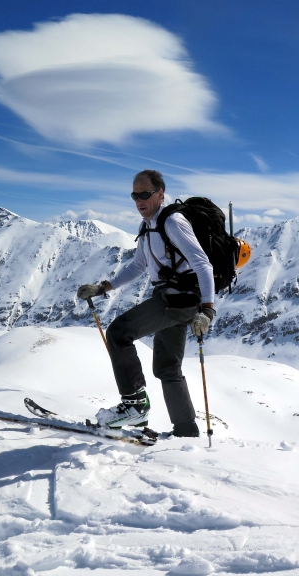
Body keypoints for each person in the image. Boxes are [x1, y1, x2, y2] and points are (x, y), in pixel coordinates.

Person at [76, 169, 216, 437]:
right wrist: (104, 287)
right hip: (168, 298)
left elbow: (202, 263)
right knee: (167, 368)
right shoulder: (148, 225)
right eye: (134, 195)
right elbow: (139, 265)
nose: (138, 200)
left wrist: (208, 310)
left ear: (160, 194)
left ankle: (134, 405)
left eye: (144, 194)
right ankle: (186, 432)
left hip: (178, 301)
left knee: (118, 332)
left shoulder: (173, 222)